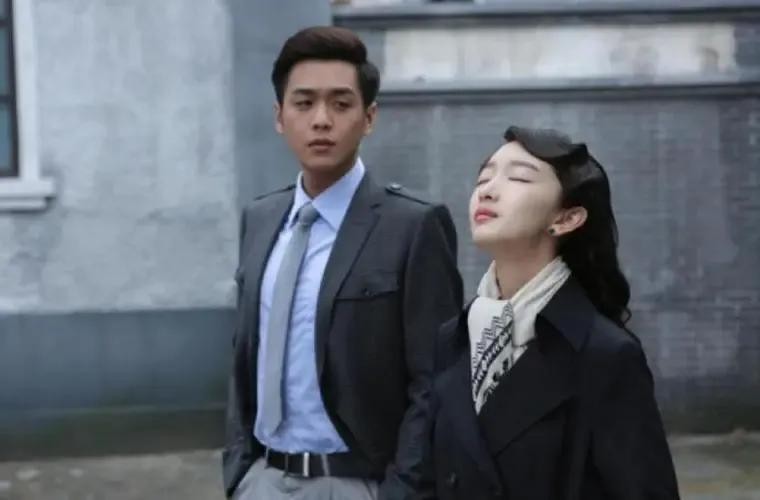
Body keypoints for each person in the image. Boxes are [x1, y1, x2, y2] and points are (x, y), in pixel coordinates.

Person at [222, 26, 463, 500]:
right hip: (262, 480)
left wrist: (400, 490)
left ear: (368, 117)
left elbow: (436, 380)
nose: (321, 120)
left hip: (358, 483)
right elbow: (243, 355)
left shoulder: (412, 226)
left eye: (340, 103)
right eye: (304, 103)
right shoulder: (261, 218)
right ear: (279, 117)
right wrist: (239, 472)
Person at [427, 126, 680, 499]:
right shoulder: (454, 338)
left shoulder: (604, 354)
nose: (488, 190)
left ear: (566, 218)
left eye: (518, 178)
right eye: (483, 178)